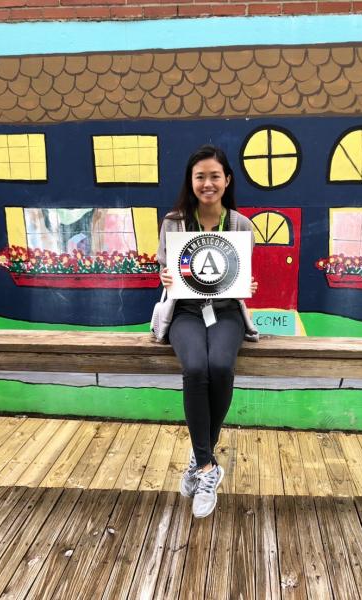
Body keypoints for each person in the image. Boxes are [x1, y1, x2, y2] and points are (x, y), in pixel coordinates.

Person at [156, 144, 259, 518]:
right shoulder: (174, 223)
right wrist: (165, 276)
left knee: (220, 366)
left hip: (226, 312)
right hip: (185, 312)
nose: (208, 183)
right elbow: (166, 268)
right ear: (191, 181)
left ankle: (200, 459)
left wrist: (248, 284)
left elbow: (238, 274)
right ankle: (207, 466)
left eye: (215, 176)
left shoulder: (241, 225)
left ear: (227, 180)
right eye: (200, 176)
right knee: (196, 367)